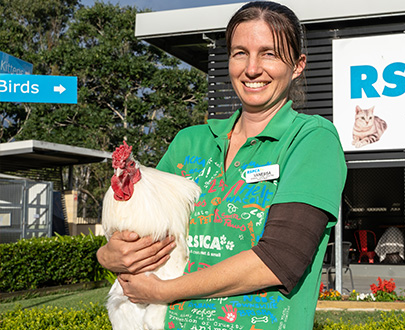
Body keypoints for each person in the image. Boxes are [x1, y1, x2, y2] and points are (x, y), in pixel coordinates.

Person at [96, 1, 347, 329]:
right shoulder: (189, 142)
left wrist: (164, 291)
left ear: (298, 65)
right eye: (240, 52)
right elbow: (150, 233)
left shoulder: (311, 139)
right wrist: (108, 256)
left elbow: (282, 259)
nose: (252, 68)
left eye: (269, 53)